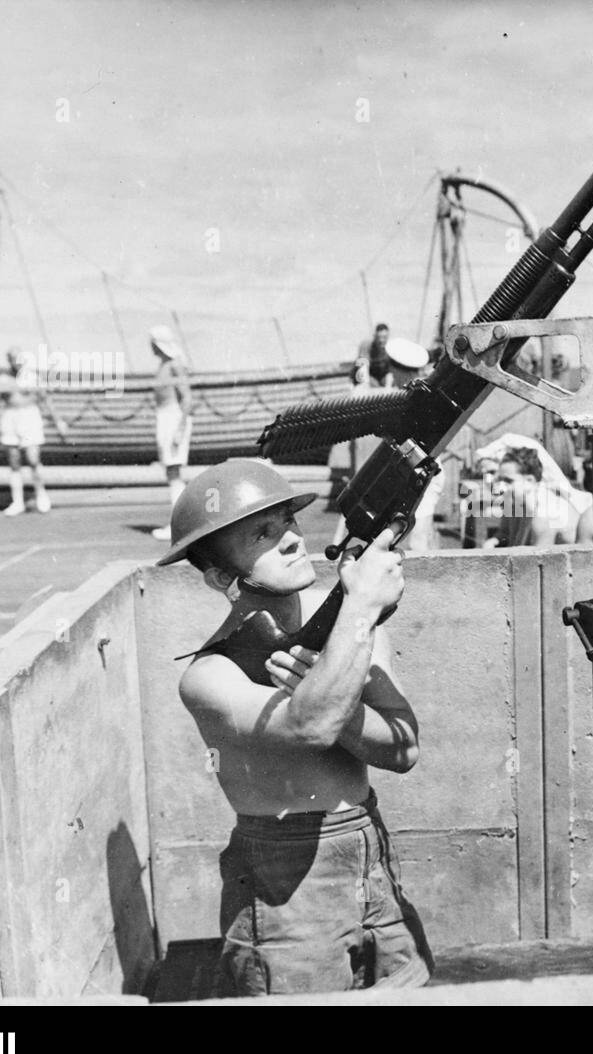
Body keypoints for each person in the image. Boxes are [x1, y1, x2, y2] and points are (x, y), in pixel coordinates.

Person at [160, 460, 432, 994]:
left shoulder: (344, 626)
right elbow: (310, 726)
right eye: (262, 533)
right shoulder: (209, 675)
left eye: (287, 520)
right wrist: (360, 611)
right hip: (283, 892)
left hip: (370, 856)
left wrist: (347, 652)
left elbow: (403, 750)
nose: (290, 539)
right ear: (220, 577)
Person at [0, 345, 68, 515]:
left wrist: (58, 421)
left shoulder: (33, 377)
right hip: (10, 417)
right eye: (13, 358)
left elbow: (46, 400)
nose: (17, 362)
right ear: (8, 361)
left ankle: (41, 495)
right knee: (14, 462)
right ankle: (18, 502)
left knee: (33, 459)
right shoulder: (2, 380)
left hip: (29, 416)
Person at [484, 447, 583, 548]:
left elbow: (536, 561)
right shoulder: (516, 502)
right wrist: (493, 541)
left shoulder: (545, 514)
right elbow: (504, 533)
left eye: (508, 481)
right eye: (500, 480)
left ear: (529, 481)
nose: (501, 487)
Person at [149, 325, 193, 542]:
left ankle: (179, 526)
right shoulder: (163, 365)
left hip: (174, 418)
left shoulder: (175, 365)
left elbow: (186, 398)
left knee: (173, 471)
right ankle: (181, 523)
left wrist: (180, 428)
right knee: (171, 472)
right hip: (164, 418)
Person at [354, 323, 392, 388]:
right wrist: (366, 385)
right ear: (375, 336)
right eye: (379, 337)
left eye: (384, 337)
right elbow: (363, 367)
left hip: (381, 375)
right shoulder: (366, 345)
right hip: (366, 374)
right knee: (373, 387)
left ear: (388, 337)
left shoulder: (390, 348)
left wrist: (388, 388)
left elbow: (390, 371)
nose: (381, 340)